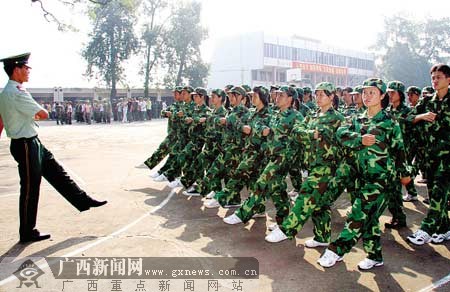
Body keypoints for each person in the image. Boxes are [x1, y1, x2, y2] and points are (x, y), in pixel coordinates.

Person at [0, 53, 107, 243]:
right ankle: (26, 231)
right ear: (16, 70)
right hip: (25, 144)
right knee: (30, 188)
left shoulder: (7, 92)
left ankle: (82, 199)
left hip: (31, 141)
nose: (28, 71)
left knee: (57, 171)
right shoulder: (17, 93)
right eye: (26, 68)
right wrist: (34, 115)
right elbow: (44, 113)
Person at [317, 78, 411, 270]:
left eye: (372, 93)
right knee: (369, 219)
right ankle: (375, 255)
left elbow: (400, 150)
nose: (366, 96)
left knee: (357, 214)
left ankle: (336, 250)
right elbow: (340, 134)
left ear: (382, 96)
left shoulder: (389, 122)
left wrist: (405, 175)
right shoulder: (357, 119)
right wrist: (359, 139)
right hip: (360, 176)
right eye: (364, 92)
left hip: (382, 179)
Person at [406, 64, 450, 245]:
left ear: (448, 79)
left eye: (439, 77)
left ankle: (426, 229)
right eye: (433, 77)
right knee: (434, 195)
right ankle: (445, 229)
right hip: (430, 158)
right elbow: (407, 118)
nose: (435, 80)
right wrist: (421, 116)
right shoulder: (427, 102)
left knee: (439, 195)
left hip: (447, 158)